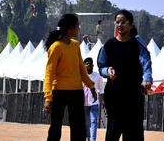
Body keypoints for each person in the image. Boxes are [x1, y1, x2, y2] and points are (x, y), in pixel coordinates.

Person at [97, 9, 154, 141]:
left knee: (134, 132)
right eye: (117, 22)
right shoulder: (108, 45)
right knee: (113, 130)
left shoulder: (137, 44)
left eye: (123, 22)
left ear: (131, 25)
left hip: (134, 95)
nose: (120, 25)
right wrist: (107, 71)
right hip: (114, 96)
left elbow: (146, 64)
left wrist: (147, 79)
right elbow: (101, 67)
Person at [45, 13, 95, 141]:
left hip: (76, 91)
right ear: (70, 28)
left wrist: (91, 86)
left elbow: (81, 68)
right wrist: (48, 98)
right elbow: (49, 73)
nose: (79, 28)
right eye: (77, 26)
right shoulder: (56, 47)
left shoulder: (75, 45)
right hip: (59, 92)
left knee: (78, 127)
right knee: (56, 127)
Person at [82, 58, 102, 141]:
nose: (89, 65)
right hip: (83, 104)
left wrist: (104, 102)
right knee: (85, 123)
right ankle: (87, 137)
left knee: (93, 121)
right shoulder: (80, 75)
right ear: (84, 65)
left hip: (94, 103)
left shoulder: (97, 76)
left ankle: (92, 139)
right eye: (87, 63)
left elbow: (101, 90)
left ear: (93, 65)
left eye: (90, 63)